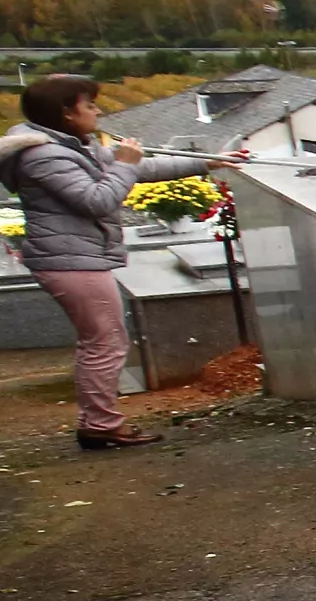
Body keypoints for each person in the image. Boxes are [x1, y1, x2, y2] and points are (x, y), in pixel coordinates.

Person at [0, 73, 245, 449]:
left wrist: (209, 163)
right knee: (104, 343)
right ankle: (100, 424)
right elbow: (98, 199)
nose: (97, 111)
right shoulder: (44, 156)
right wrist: (127, 163)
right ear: (67, 113)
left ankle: (98, 421)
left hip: (76, 256)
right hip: (71, 261)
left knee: (101, 340)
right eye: (90, 105)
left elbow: (138, 170)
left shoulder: (67, 144)